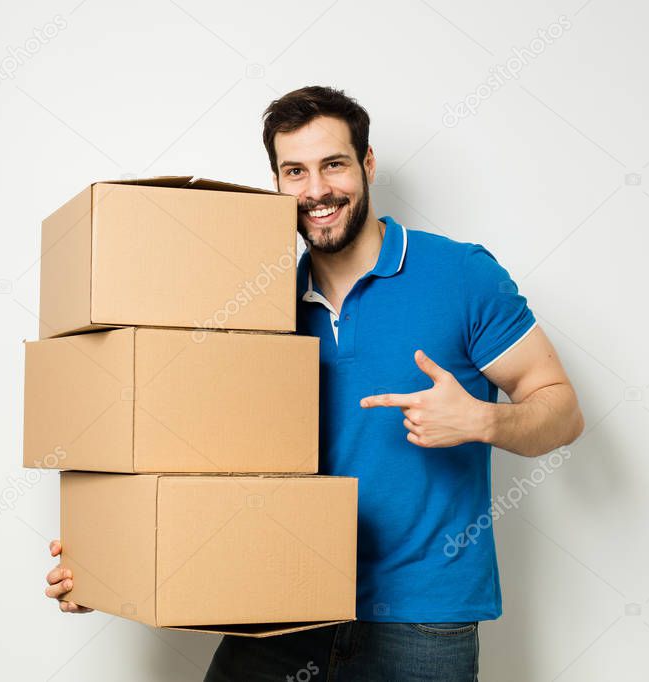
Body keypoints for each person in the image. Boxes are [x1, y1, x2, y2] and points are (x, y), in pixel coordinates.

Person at [45, 85, 584, 681]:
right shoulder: (252, 304)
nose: (316, 190)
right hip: (279, 600)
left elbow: (561, 411)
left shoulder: (461, 275)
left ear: (367, 164)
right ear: (276, 183)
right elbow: (183, 452)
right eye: (294, 171)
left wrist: (484, 420)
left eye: (333, 165)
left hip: (420, 621)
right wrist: (107, 563)